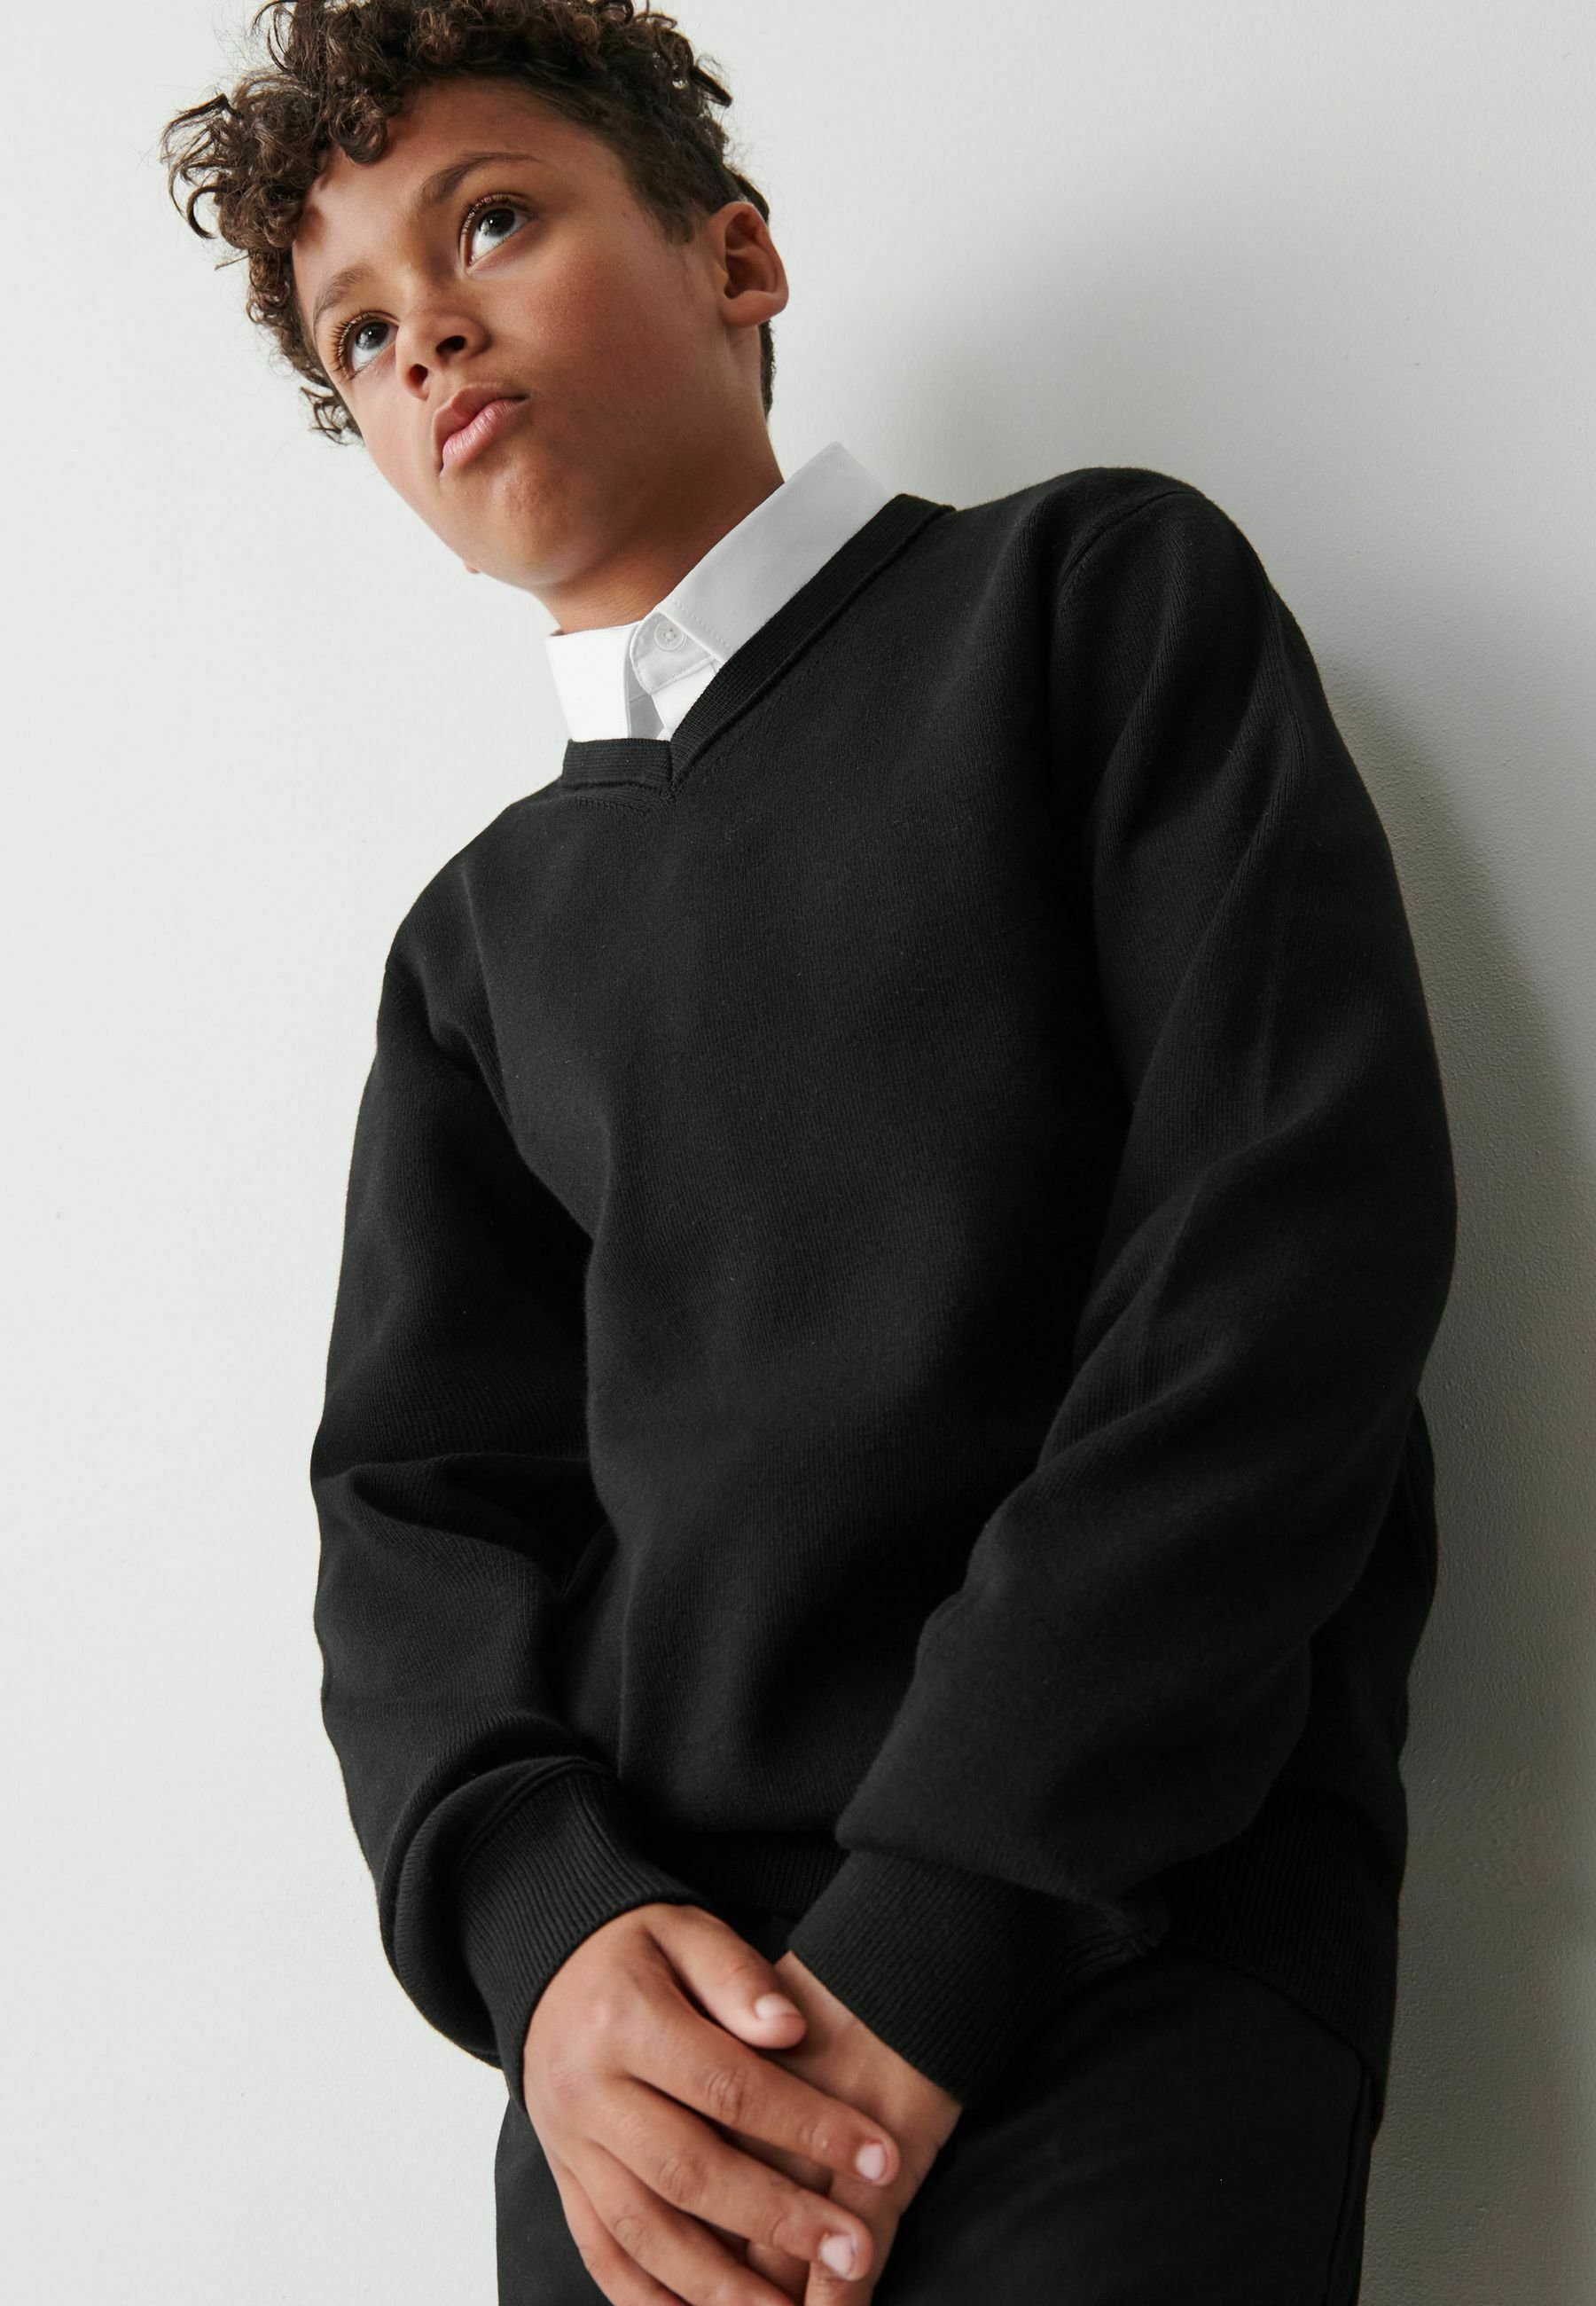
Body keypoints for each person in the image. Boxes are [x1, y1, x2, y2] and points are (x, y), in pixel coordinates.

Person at [160, 4, 1458, 2301]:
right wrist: (546, 1940)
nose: (424, 329)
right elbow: (416, 1523)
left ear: (736, 258)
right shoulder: (472, 954)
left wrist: (941, 1931)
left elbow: (1285, 1267)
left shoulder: (1086, 603)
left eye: (490, 219)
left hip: (1130, 1968)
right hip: (652, 2085)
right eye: (357, 333)